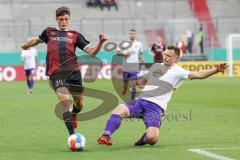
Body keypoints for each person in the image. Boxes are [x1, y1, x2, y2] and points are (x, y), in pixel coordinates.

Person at [97, 45, 227, 146]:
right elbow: (146, 78)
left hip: (155, 107)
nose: (165, 57)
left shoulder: (179, 72)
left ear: (176, 58)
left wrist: (215, 70)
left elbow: (198, 75)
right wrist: (139, 82)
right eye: (165, 54)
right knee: (119, 109)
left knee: (153, 139)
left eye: (169, 56)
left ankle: (144, 138)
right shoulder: (157, 66)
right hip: (141, 101)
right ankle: (106, 135)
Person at [21, 7, 107, 136]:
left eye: (66, 19)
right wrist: (26, 45)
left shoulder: (75, 35)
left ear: (69, 20)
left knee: (79, 104)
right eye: (61, 19)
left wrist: (100, 42)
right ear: (56, 19)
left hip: (73, 73)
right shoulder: (49, 32)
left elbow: (92, 52)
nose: (64, 22)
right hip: (57, 74)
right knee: (65, 102)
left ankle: (75, 114)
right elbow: (36, 40)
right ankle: (72, 136)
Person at [116, 29, 144, 100]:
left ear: (136, 35)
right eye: (131, 33)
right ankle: (124, 91)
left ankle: (132, 100)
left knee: (134, 84)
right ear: (129, 35)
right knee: (125, 86)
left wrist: (142, 61)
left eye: (134, 34)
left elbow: (141, 54)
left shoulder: (139, 44)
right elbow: (117, 52)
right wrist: (124, 53)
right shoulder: (124, 44)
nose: (132, 35)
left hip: (134, 67)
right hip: (125, 67)